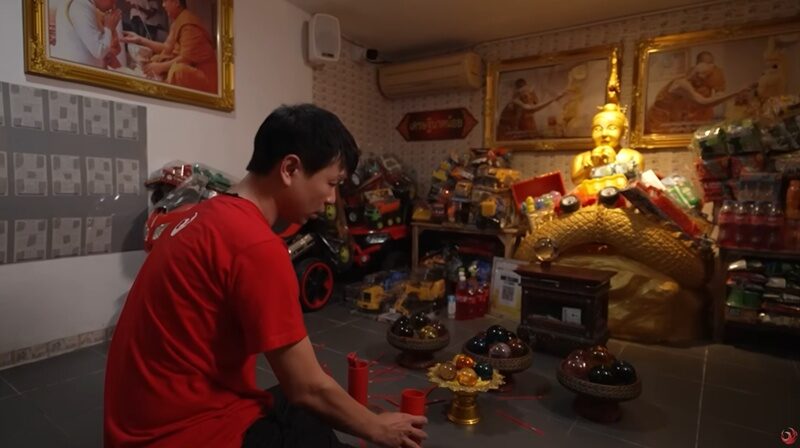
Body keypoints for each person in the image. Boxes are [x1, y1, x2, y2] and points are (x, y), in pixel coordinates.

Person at [104, 104, 428, 448]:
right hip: (181, 434)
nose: (331, 199)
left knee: (304, 410)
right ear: (290, 169)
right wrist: (377, 428)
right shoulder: (256, 245)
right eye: (331, 183)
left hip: (138, 424)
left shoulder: (206, 213)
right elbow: (307, 387)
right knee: (311, 404)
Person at [122, 0, 217, 93]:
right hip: (185, 66)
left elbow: (186, 58)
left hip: (204, 76)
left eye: (165, 1)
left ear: (176, 2)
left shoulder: (188, 23)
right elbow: (166, 48)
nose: (163, 5)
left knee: (178, 71)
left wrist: (160, 67)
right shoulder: (177, 21)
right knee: (155, 58)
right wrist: (139, 39)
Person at [645, 59, 750, 134]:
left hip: (666, 121)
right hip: (658, 122)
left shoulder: (686, 83)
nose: (703, 83)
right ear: (698, 75)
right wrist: (735, 92)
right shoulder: (682, 84)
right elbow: (702, 102)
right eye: (705, 78)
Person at [571, 102, 644, 185]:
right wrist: (589, 168)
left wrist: (612, 165)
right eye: (597, 129)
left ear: (624, 131)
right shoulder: (581, 157)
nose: (604, 134)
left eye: (612, 128)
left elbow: (634, 181)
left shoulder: (633, 156)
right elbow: (576, 181)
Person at [52, 0, 126, 69]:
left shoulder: (82, 4)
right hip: (78, 71)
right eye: (113, 1)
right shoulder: (81, 6)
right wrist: (109, 28)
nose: (113, 5)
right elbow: (99, 51)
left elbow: (114, 49)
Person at [496, 78, 566, 140]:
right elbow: (532, 108)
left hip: (525, 127)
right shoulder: (515, 101)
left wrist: (554, 97)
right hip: (510, 133)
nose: (528, 97)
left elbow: (536, 105)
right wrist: (553, 99)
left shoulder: (529, 95)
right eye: (525, 96)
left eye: (529, 94)